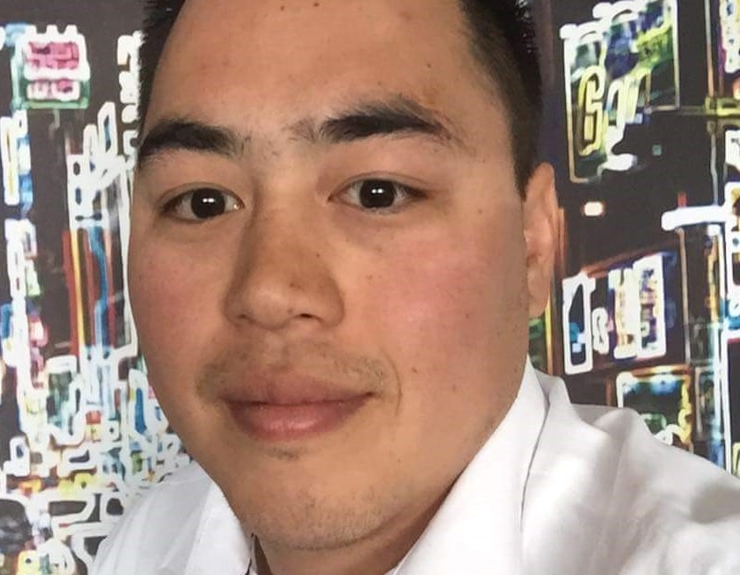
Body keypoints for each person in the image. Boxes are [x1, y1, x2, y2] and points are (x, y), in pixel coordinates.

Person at [92, 0, 740, 573]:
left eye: (379, 193)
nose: (269, 291)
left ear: (533, 242)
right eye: (203, 201)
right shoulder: (152, 542)